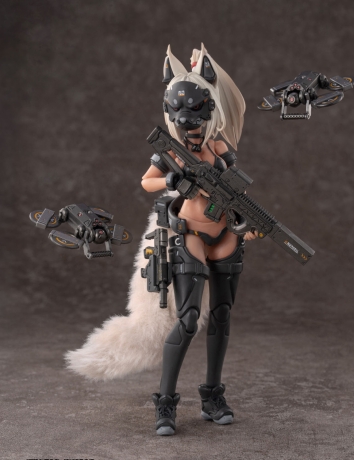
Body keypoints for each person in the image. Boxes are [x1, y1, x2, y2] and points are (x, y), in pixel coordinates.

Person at [141, 43, 257, 435]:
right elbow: (146, 181)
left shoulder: (220, 146)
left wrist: (245, 219)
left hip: (224, 234)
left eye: (195, 112)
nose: (187, 122)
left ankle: (212, 396)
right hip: (190, 233)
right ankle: (165, 402)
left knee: (221, 316)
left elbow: (238, 189)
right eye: (179, 112)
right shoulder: (172, 152)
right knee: (189, 319)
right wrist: (172, 180)